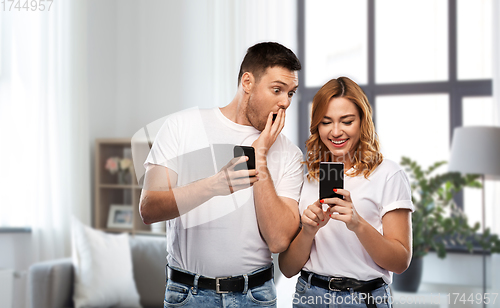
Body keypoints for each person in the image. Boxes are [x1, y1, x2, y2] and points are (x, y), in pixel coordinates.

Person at [139, 42, 304, 308]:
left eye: (291, 93)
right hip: (188, 294)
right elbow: (149, 209)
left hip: (255, 295)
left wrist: (259, 154)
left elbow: (278, 240)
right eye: (277, 90)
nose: (285, 102)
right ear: (247, 82)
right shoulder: (181, 127)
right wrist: (215, 185)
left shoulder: (289, 153)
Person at [278, 77, 414, 308]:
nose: (336, 131)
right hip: (310, 296)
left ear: (362, 121)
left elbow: (400, 262)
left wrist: (357, 223)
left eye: (347, 121)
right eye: (326, 122)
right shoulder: (307, 178)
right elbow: (288, 268)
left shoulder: (387, 174)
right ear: (316, 126)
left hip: (364, 298)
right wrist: (308, 231)